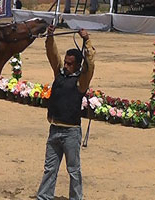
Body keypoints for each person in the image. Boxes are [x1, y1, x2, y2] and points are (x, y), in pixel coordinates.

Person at [36, 25, 96, 200]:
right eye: (66, 62)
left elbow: (90, 63)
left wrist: (87, 40)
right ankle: (44, 196)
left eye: (70, 63)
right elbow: (52, 55)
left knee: (74, 170)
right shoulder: (60, 74)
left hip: (71, 132)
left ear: (77, 65)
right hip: (54, 129)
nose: (67, 65)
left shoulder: (81, 81)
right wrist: (50, 36)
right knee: (50, 168)